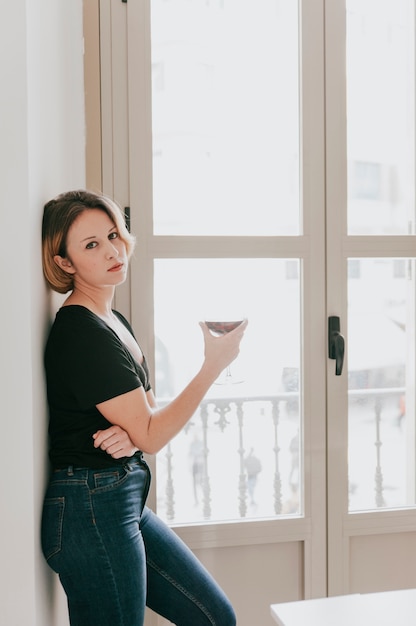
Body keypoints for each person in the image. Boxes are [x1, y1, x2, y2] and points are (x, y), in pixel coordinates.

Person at [40, 190, 247, 626]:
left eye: (113, 235)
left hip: (120, 498)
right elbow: (152, 432)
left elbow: (147, 416)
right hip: (91, 507)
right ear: (65, 263)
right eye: (92, 245)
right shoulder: (81, 331)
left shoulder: (113, 321)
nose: (114, 251)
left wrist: (135, 433)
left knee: (215, 618)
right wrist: (212, 366)